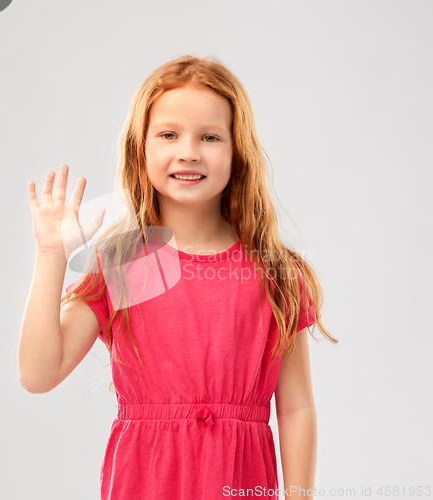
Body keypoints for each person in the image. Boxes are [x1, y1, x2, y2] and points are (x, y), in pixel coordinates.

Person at [19, 54, 337, 500]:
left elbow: (297, 407)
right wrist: (52, 255)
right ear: (141, 148)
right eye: (169, 134)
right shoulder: (124, 266)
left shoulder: (274, 273)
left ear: (236, 151)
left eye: (209, 136)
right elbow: (38, 373)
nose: (188, 151)